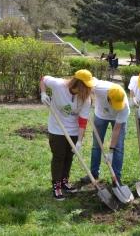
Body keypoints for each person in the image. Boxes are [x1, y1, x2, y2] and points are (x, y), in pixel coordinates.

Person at [40, 69, 95, 201]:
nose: (89, 89)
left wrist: (79, 141)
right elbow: (43, 79)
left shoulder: (86, 98)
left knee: (69, 156)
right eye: (86, 86)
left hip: (74, 131)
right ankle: (56, 186)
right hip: (57, 128)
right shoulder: (59, 85)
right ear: (79, 84)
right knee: (59, 156)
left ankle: (64, 182)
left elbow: (82, 121)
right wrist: (43, 93)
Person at [80, 81, 130, 185]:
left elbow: (116, 130)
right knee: (96, 145)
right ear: (108, 98)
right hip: (100, 115)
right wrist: (86, 102)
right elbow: (86, 84)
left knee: (118, 147)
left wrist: (111, 151)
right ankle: (94, 174)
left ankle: (116, 178)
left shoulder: (125, 107)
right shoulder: (99, 88)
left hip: (117, 119)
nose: (116, 107)